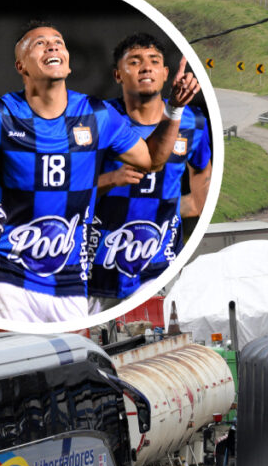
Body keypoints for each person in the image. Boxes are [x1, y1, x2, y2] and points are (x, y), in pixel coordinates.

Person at [0, 20, 198, 322]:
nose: (53, 45)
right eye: (39, 44)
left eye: (58, 42)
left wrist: (173, 109)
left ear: (68, 64)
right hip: (8, 271)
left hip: (70, 281)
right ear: (21, 65)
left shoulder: (98, 116)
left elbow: (153, 160)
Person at [88, 33, 212, 313]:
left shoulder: (194, 122)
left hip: (159, 269)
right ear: (118, 74)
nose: (146, 67)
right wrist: (110, 180)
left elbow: (201, 199)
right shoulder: (97, 119)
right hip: (97, 270)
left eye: (154, 61)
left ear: (166, 73)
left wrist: (162, 208)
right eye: (135, 61)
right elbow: (60, 193)